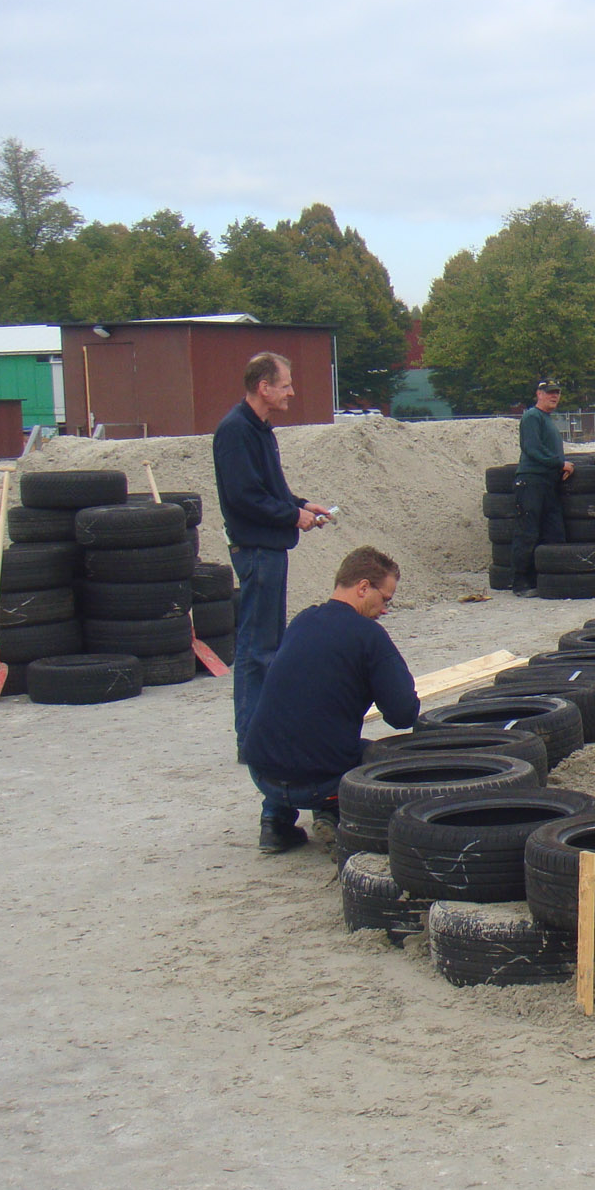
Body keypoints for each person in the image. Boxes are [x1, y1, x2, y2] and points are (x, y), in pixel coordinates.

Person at [240, 546, 419, 854]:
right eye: (385, 599)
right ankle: (337, 814)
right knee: (389, 759)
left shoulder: (301, 621)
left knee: (293, 728)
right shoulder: (369, 635)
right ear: (363, 587)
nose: (385, 609)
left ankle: (274, 822)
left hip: (262, 771)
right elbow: (404, 714)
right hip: (317, 782)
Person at [214, 351, 331, 755]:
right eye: (285, 385)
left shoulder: (260, 430)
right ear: (263, 387)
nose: (291, 393)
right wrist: (290, 515)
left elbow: (268, 489)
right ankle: (251, 739)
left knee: (269, 644)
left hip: (270, 548)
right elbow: (244, 497)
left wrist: (302, 505)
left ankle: (262, 730)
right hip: (257, 550)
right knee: (256, 648)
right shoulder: (235, 432)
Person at [511, 379, 574, 597]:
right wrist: (559, 463)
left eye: (557, 393)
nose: (554, 396)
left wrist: (560, 467)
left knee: (554, 532)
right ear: (539, 394)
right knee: (527, 532)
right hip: (531, 481)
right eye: (549, 393)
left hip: (548, 483)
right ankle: (520, 583)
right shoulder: (531, 417)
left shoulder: (548, 420)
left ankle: (550, 580)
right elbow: (532, 449)